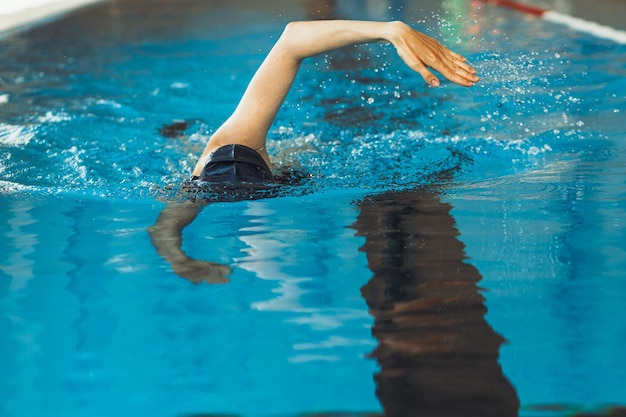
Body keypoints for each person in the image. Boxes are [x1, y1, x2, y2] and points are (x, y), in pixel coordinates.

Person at [148, 19, 480, 283]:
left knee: (289, 152)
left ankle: (187, 138)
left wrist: (390, 30)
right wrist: (179, 260)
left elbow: (293, 37)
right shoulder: (211, 174)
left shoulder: (227, 150)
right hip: (267, 179)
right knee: (297, 156)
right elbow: (162, 231)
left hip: (256, 170)